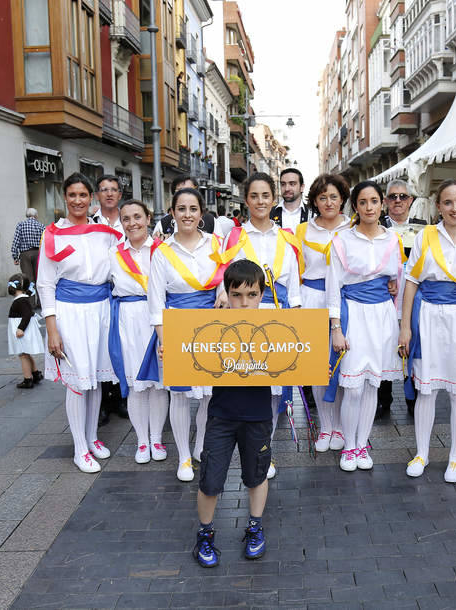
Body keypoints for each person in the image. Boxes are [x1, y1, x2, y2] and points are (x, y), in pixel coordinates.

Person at [398, 180, 456, 483]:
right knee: (426, 391)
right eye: (448, 202)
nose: (455, 208)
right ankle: (422, 453)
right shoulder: (426, 237)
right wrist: (405, 328)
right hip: (427, 318)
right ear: (438, 206)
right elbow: (411, 282)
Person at [213, 172, 303, 480]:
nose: (260, 201)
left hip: (277, 317)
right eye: (254, 196)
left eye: (266, 195)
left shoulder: (287, 238)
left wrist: (298, 318)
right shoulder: (235, 237)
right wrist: (223, 298)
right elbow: (223, 276)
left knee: (274, 388)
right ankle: (249, 449)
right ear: (246, 200)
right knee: (248, 384)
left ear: (274, 199)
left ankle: (266, 450)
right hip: (243, 318)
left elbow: (294, 284)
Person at [37, 172, 122, 473]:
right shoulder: (52, 234)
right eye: (72, 195)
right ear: (65, 197)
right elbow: (45, 284)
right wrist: (52, 328)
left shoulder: (106, 233)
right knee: (76, 382)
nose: (77, 200)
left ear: (92, 198)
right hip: (69, 313)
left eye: (83, 195)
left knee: (95, 379)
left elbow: (120, 269)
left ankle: (92, 437)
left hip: (100, 311)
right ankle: (79, 448)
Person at [142, 187, 225, 481]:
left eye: (193, 209)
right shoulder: (162, 252)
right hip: (177, 327)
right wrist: (164, 341)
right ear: (172, 213)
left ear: (201, 213)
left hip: (211, 327)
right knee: (179, 396)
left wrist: (224, 290)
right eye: (181, 209)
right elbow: (155, 302)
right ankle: (184, 457)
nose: (187, 215)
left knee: (207, 396)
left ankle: (201, 446)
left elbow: (225, 278)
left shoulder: (216, 244)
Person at [193, 260, 272, 567]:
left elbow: (299, 351)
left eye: (251, 295)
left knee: (257, 475)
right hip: (222, 416)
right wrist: (170, 351)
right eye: (237, 295)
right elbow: (189, 352)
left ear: (261, 295)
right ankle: (205, 533)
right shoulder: (211, 327)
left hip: (258, 415)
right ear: (226, 294)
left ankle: (255, 527)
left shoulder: (274, 327)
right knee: (210, 480)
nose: (244, 301)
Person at [326, 180, 404, 472]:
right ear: (355, 207)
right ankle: (349, 446)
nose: (369, 207)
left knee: (373, 384)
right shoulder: (342, 240)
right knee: (353, 386)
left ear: (381, 204)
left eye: (374, 201)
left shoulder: (393, 239)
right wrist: (336, 327)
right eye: (363, 202)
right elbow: (333, 285)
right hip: (353, 315)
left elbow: (398, 278)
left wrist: (399, 321)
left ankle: (362, 443)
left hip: (382, 316)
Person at [108, 200, 170, 464]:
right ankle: (142, 442)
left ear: (148, 218)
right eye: (126, 218)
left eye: (137, 217)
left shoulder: (163, 250)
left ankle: (156, 438)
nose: (132, 223)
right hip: (128, 319)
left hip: (157, 319)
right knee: (136, 385)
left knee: (158, 384)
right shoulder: (112, 253)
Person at [296, 174, 351, 453]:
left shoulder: (353, 228)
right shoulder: (302, 231)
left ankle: (340, 426)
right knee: (317, 366)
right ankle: (326, 426)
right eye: (322, 197)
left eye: (333, 196)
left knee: (340, 364)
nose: (328, 202)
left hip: (345, 301)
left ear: (342, 198)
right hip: (312, 298)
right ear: (315, 201)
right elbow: (295, 270)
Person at [377, 179, 426, 418]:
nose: (398, 201)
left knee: (412, 342)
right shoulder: (376, 226)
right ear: (385, 201)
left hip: (414, 294)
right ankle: (383, 398)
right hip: (386, 294)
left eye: (403, 197)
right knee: (386, 343)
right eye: (393, 196)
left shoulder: (423, 229)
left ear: (411, 201)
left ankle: (412, 394)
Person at [93, 175, 127, 422]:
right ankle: (104, 401)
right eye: (104, 189)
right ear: (97, 194)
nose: (109, 194)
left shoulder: (128, 220)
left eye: (113, 189)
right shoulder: (90, 221)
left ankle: (121, 398)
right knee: (103, 346)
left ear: (119, 194)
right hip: (100, 292)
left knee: (123, 346)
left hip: (124, 291)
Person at [7, 273, 44, 389]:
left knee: (23, 355)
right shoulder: (22, 299)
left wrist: (20, 328)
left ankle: (28, 379)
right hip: (23, 330)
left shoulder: (20, 301)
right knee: (25, 352)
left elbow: (27, 315)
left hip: (22, 331)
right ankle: (36, 373)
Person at [153, 176, 219, 237]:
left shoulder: (211, 221)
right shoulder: (163, 224)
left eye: (190, 190)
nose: (187, 215)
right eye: (180, 191)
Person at [11, 208, 45, 309]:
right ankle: (41, 302)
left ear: (27, 215)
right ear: (36, 215)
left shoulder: (21, 225)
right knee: (39, 278)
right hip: (38, 253)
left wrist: (15, 256)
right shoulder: (41, 226)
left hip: (25, 254)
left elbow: (16, 242)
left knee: (29, 279)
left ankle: (31, 303)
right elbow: (45, 242)